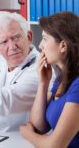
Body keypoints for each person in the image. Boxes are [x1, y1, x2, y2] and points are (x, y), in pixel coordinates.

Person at [20, 12, 79, 148]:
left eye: (45, 39)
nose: (40, 45)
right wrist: (43, 83)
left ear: (63, 45)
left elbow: (55, 146)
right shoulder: (61, 79)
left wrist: (27, 133)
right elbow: (39, 126)